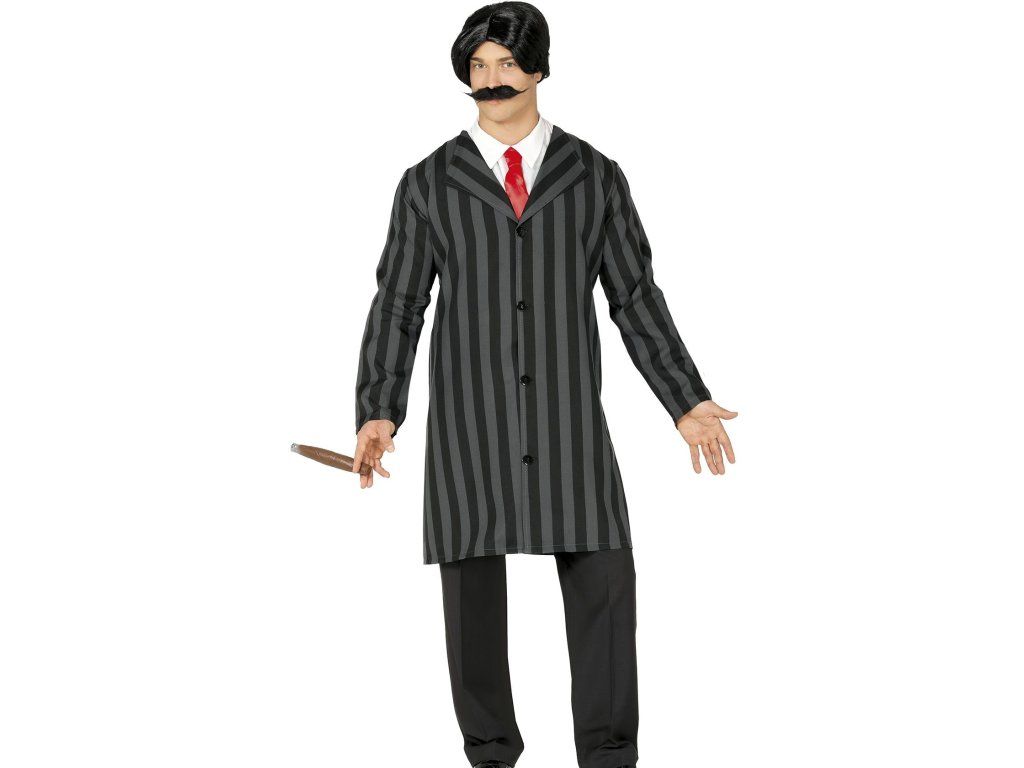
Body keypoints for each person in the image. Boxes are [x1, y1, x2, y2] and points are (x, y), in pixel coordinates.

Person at [352, 3, 738, 766]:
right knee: (471, 602)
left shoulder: (594, 175)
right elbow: (399, 302)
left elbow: (634, 296)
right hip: (470, 422)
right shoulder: (428, 182)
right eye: (477, 66)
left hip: (568, 420)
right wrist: (378, 410)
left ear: (539, 68)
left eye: (506, 63)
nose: (490, 80)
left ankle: (609, 756)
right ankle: (491, 754)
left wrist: (685, 400)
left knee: (606, 586)